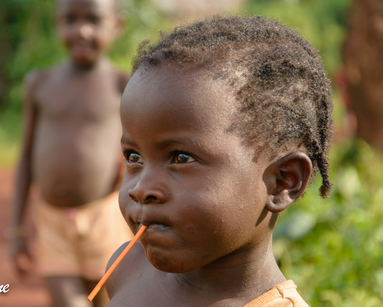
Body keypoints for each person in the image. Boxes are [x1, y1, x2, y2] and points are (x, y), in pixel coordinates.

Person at [106, 15, 333, 307]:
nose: (141, 188)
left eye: (181, 157)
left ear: (282, 182)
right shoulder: (127, 269)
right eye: (134, 156)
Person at [7, 0, 132, 306]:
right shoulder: (40, 84)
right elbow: (26, 158)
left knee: (108, 301)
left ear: (117, 24)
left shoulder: (124, 86)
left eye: (93, 19)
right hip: (51, 223)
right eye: (70, 19)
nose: (81, 30)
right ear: (56, 23)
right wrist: (17, 230)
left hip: (106, 219)